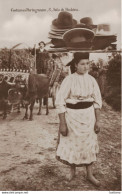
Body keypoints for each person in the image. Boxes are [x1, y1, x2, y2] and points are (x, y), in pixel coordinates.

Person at [55, 52, 102, 186]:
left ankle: (89, 174)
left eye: (88, 63)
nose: (85, 66)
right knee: (72, 143)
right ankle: (72, 172)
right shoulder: (69, 80)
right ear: (75, 65)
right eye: (82, 64)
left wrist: (98, 120)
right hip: (72, 117)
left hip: (88, 117)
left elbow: (97, 102)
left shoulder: (92, 80)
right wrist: (62, 123)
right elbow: (60, 102)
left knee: (88, 144)